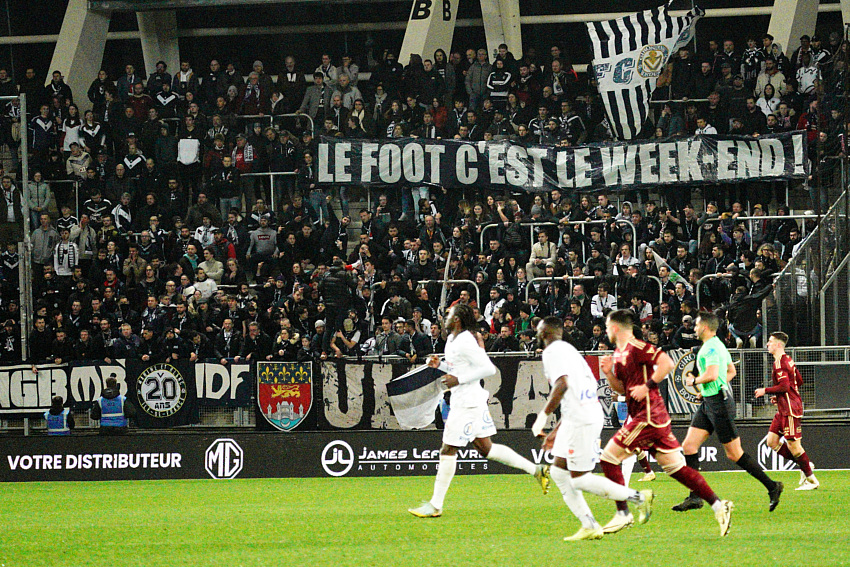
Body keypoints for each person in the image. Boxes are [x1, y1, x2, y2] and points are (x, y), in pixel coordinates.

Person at [598, 309, 733, 536]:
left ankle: (623, 512)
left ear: (614, 327)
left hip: (648, 416)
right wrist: (609, 374)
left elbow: (667, 363)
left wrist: (648, 385)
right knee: (677, 469)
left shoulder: (638, 347)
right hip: (649, 416)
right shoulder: (618, 353)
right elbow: (623, 390)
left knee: (608, 458)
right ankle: (720, 506)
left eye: (606, 327)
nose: (605, 331)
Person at [408, 303, 550, 518]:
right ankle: (536, 470)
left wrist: (458, 379)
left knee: (447, 450)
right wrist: (442, 367)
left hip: (467, 403)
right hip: (471, 400)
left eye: (449, 315)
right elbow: (461, 368)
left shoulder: (464, 340)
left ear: (457, 320)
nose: (445, 318)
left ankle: (435, 505)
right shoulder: (454, 340)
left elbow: (488, 368)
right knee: (486, 448)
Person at [532, 316, 652, 541]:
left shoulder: (552, 352)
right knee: (558, 471)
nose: (537, 335)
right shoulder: (570, 350)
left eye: (539, 331)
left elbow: (563, 384)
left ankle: (638, 498)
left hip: (581, 419)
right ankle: (589, 524)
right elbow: (573, 392)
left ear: (546, 332)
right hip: (580, 414)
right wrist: (558, 429)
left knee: (579, 479)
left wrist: (543, 415)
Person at [673, 311, 783, 513]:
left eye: (696, 325)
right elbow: (730, 371)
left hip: (719, 405)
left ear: (705, 327)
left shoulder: (712, 348)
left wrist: (694, 381)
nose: (694, 328)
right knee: (689, 446)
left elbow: (713, 374)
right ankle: (695, 497)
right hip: (710, 401)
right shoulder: (715, 345)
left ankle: (772, 486)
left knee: (734, 454)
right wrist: (705, 392)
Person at [755, 332, 819, 490]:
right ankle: (806, 466)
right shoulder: (788, 359)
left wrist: (766, 390)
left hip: (790, 408)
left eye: (770, 342)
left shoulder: (780, 363)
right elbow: (799, 380)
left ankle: (811, 480)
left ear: (777, 345)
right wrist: (779, 396)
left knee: (794, 446)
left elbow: (784, 386)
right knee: (771, 441)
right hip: (784, 407)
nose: (767, 344)